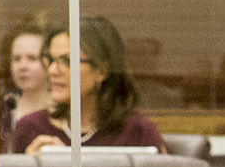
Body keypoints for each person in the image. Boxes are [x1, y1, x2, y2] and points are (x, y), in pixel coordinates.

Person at [10, 16, 167, 153]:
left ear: (101, 70)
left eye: (67, 61)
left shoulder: (138, 132)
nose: (52, 70)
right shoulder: (29, 129)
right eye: (51, 60)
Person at [0, 16, 51, 152]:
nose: (22, 66)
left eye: (32, 58)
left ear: (50, 61)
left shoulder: (64, 111)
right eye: (16, 59)